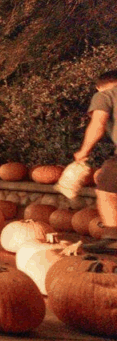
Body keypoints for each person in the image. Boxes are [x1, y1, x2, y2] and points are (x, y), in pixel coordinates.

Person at [74, 70, 117, 245]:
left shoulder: (105, 95)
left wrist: (83, 151)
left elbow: (98, 124)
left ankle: (113, 237)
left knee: (106, 188)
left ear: (99, 86)